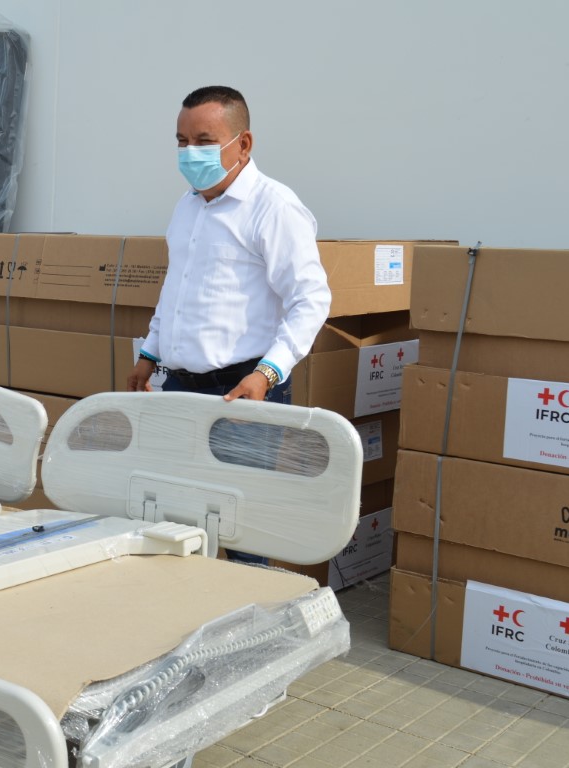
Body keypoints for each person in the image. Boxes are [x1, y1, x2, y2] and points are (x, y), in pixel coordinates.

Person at [126, 85, 332, 563]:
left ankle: (245, 627)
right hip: (179, 386)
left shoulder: (273, 207)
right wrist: (150, 353)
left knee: (241, 529)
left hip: (242, 389)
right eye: (181, 141)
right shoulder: (187, 207)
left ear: (243, 144)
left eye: (203, 140)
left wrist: (267, 373)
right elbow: (176, 290)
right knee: (175, 517)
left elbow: (311, 299)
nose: (189, 153)